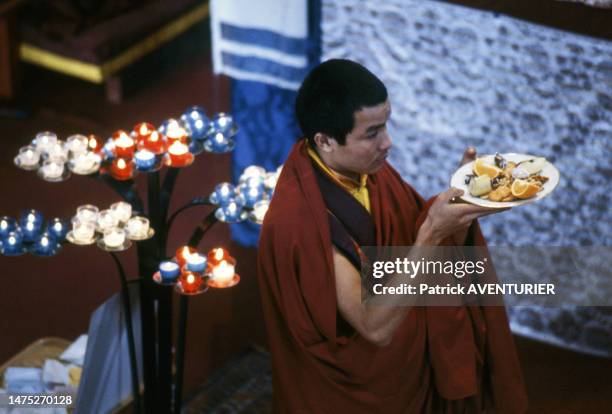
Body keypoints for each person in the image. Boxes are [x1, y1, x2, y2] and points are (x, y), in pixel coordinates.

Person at [257, 59, 527, 413]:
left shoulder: (366, 171)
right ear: (324, 141)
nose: (388, 143)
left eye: (385, 127)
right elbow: (375, 328)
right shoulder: (300, 223)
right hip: (354, 389)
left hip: (408, 357)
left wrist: (460, 206)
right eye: (372, 134)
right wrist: (432, 233)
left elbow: (412, 234)